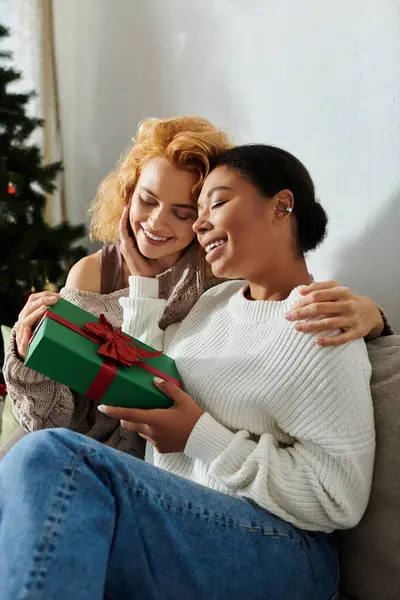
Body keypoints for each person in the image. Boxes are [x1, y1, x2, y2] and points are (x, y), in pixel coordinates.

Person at [0, 144, 376, 599]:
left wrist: (200, 435)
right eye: (195, 212)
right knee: (31, 466)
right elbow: (144, 371)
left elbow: (339, 499)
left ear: (281, 206)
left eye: (215, 203)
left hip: (288, 549)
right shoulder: (214, 304)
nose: (198, 223)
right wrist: (139, 280)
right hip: (184, 520)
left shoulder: (324, 323)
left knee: (54, 458)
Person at [2, 117, 389, 456]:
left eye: (182, 213)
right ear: (127, 194)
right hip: (66, 438)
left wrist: (373, 317)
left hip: (132, 454)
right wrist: (28, 353)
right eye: (146, 200)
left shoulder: (221, 276)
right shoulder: (93, 274)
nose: (155, 223)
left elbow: (284, 291)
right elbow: (55, 406)